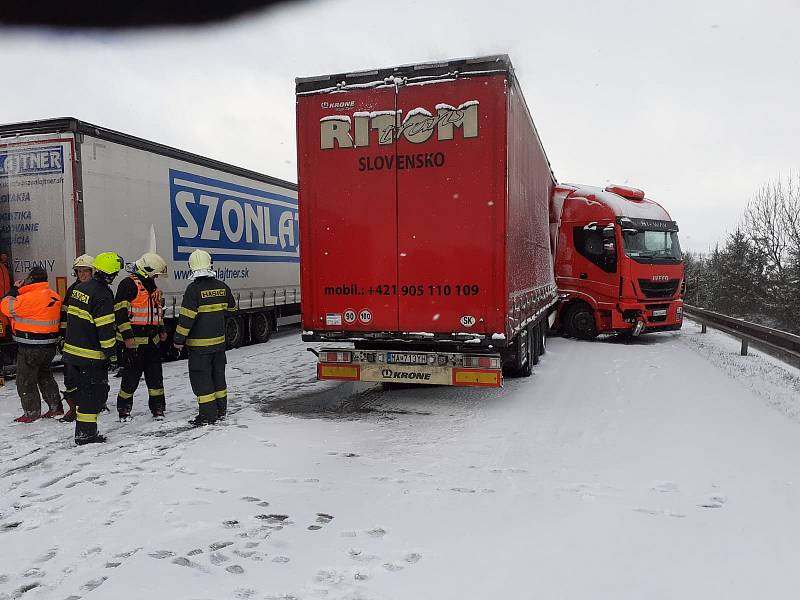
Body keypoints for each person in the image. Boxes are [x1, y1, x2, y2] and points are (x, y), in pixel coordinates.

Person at [62, 252, 123, 445]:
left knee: (82, 392)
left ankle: (85, 431)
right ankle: (86, 435)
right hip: (90, 356)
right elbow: (105, 329)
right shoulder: (103, 294)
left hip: (72, 353)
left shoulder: (79, 288)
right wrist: (112, 355)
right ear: (112, 274)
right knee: (93, 394)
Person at [172, 250, 235, 425]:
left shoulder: (193, 290)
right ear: (210, 264)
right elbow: (231, 310)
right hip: (219, 345)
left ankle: (208, 415)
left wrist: (178, 340)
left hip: (199, 348)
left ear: (191, 266)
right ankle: (221, 410)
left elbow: (186, 319)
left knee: (202, 380)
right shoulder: (222, 286)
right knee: (218, 377)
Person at [0, 267, 63, 422]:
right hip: (49, 346)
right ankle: (56, 407)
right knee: (45, 376)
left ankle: (32, 412)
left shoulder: (28, 298)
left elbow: (5, 307)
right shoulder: (54, 296)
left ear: (31, 279)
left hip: (30, 346)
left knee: (25, 380)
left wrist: (14, 289)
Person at [114, 253, 168, 421]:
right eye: (155, 274)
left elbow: (157, 311)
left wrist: (162, 329)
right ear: (147, 270)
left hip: (152, 342)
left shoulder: (152, 287)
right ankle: (124, 410)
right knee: (130, 380)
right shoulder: (128, 285)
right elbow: (120, 313)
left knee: (156, 379)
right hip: (134, 344)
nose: (157, 277)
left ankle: (158, 409)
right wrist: (127, 337)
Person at [58, 254, 94, 422]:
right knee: (70, 378)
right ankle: (73, 407)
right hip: (73, 344)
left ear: (92, 271)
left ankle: (95, 403)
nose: (82, 275)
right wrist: (62, 337)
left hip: (91, 344)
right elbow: (65, 314)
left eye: (85, 271)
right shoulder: (73, 290)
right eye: (78, 272)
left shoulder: (99, 291)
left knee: (92, 378)